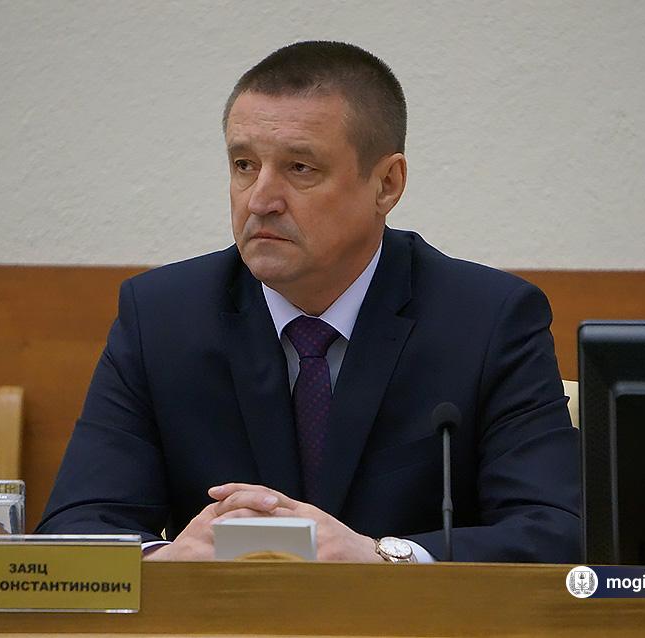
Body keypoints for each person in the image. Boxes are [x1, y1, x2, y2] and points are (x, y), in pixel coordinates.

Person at [37, 41, 581, 563]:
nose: (260, 200)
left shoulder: (487, 321)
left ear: (386, 184)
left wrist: (384, 558)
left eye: (300, 168)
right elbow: (74, 529)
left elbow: (557, 533)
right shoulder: (160, 317)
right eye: (244, 165)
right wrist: (168, 560)